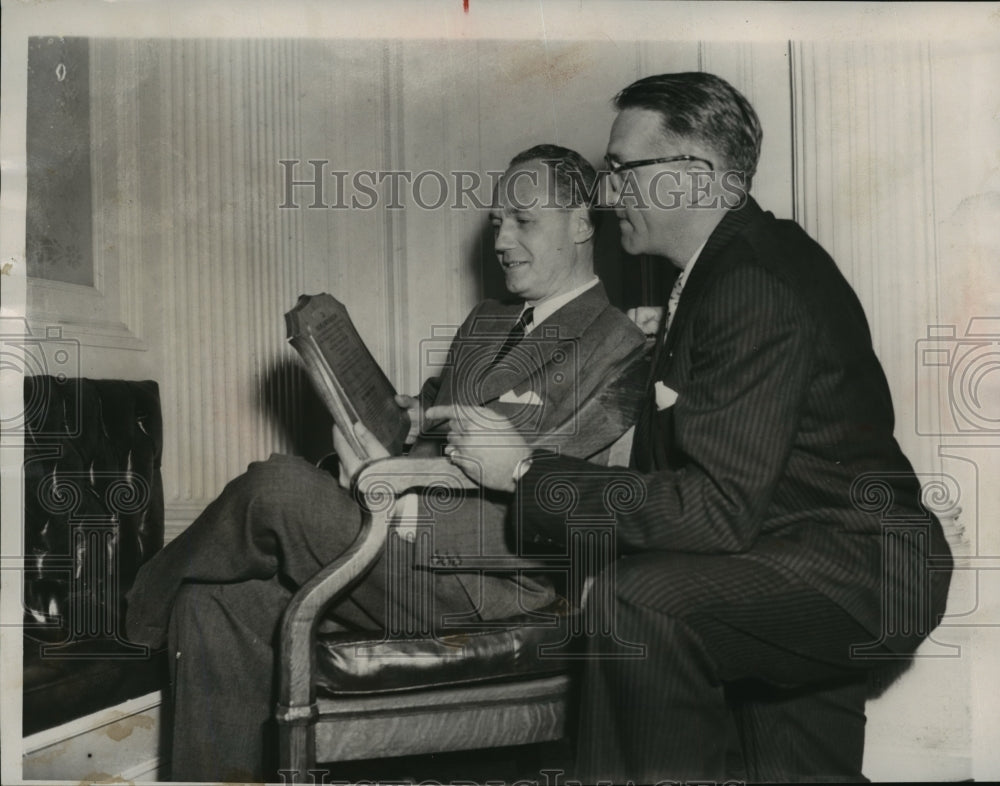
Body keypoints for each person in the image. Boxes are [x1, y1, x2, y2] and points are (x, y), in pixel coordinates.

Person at [426, 74, 954, 782]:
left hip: (852, 569)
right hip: (799, 552)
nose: (608, 193)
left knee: (636, 605)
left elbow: (716, 509)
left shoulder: (752, 282)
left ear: (695, 177)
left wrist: (524, 471)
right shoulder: (725, 270)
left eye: (622, 169)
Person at [124, 144, 646, 782]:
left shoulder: (617, 343)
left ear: (584, 222)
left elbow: (558, 486)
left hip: (488, 578)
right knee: (212, 604)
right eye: (496, 222)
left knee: (277, 486)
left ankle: (133, 618)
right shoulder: (487, 323)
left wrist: (395, 495)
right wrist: (397, 417)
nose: (502, 238)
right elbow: (429, 416)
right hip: (398, 541)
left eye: (523, 220)